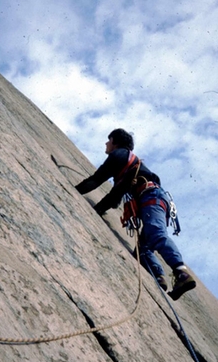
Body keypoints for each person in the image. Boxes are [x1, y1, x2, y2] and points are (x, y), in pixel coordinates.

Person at [75, 128, 196, 300]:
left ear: (116, 142)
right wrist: (98, 210)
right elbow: (114, 197)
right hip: (151, 200)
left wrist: (73, 192)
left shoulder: (119, 155)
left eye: (109, 140)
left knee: (155, 233)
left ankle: (181, 273)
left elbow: (96, 180)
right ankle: (159, 276)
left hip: (151, 198)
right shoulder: (127, 165)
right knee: (143, 251)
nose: (106, 143)